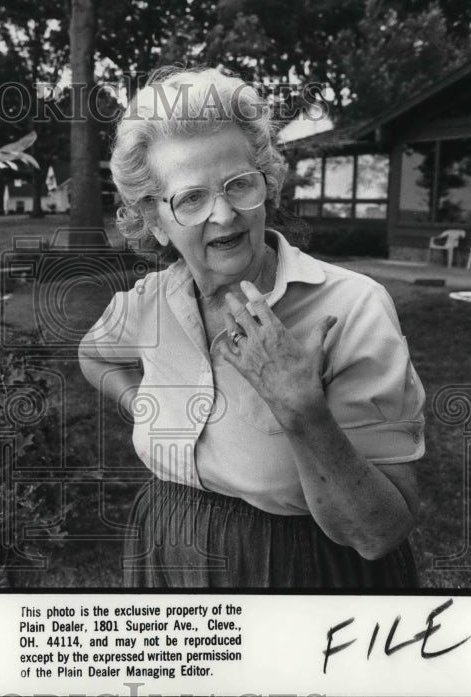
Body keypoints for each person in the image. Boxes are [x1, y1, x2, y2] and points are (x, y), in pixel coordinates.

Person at [78, 67, 425, 589]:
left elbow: (380, 534)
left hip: (299, 571)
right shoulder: (150, 303)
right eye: (190, 198)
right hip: (167, 552)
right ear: (155, 220)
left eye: (238, 185)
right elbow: (94, 354)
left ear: (267, 186)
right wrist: (141, 402)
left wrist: (301, 410)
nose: (224, 214)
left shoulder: (353, 308)